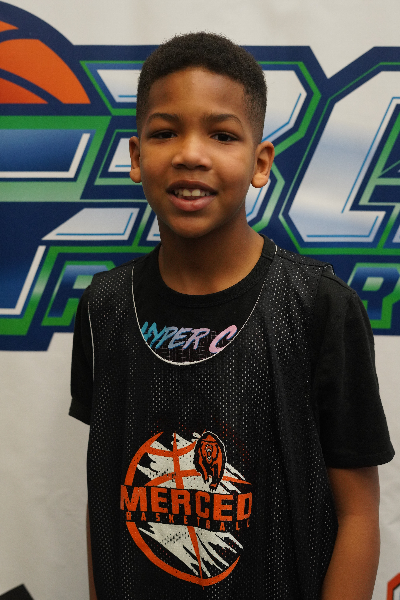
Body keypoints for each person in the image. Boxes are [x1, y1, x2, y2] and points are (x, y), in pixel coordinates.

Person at [69, 32, 394, 600]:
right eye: (165, 132)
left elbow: (359, 515)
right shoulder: (105, 308)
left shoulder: (320, 307)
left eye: (221, 135)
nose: (191, 154)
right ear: (137, 157)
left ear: (259, 163)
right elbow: (107, 499)